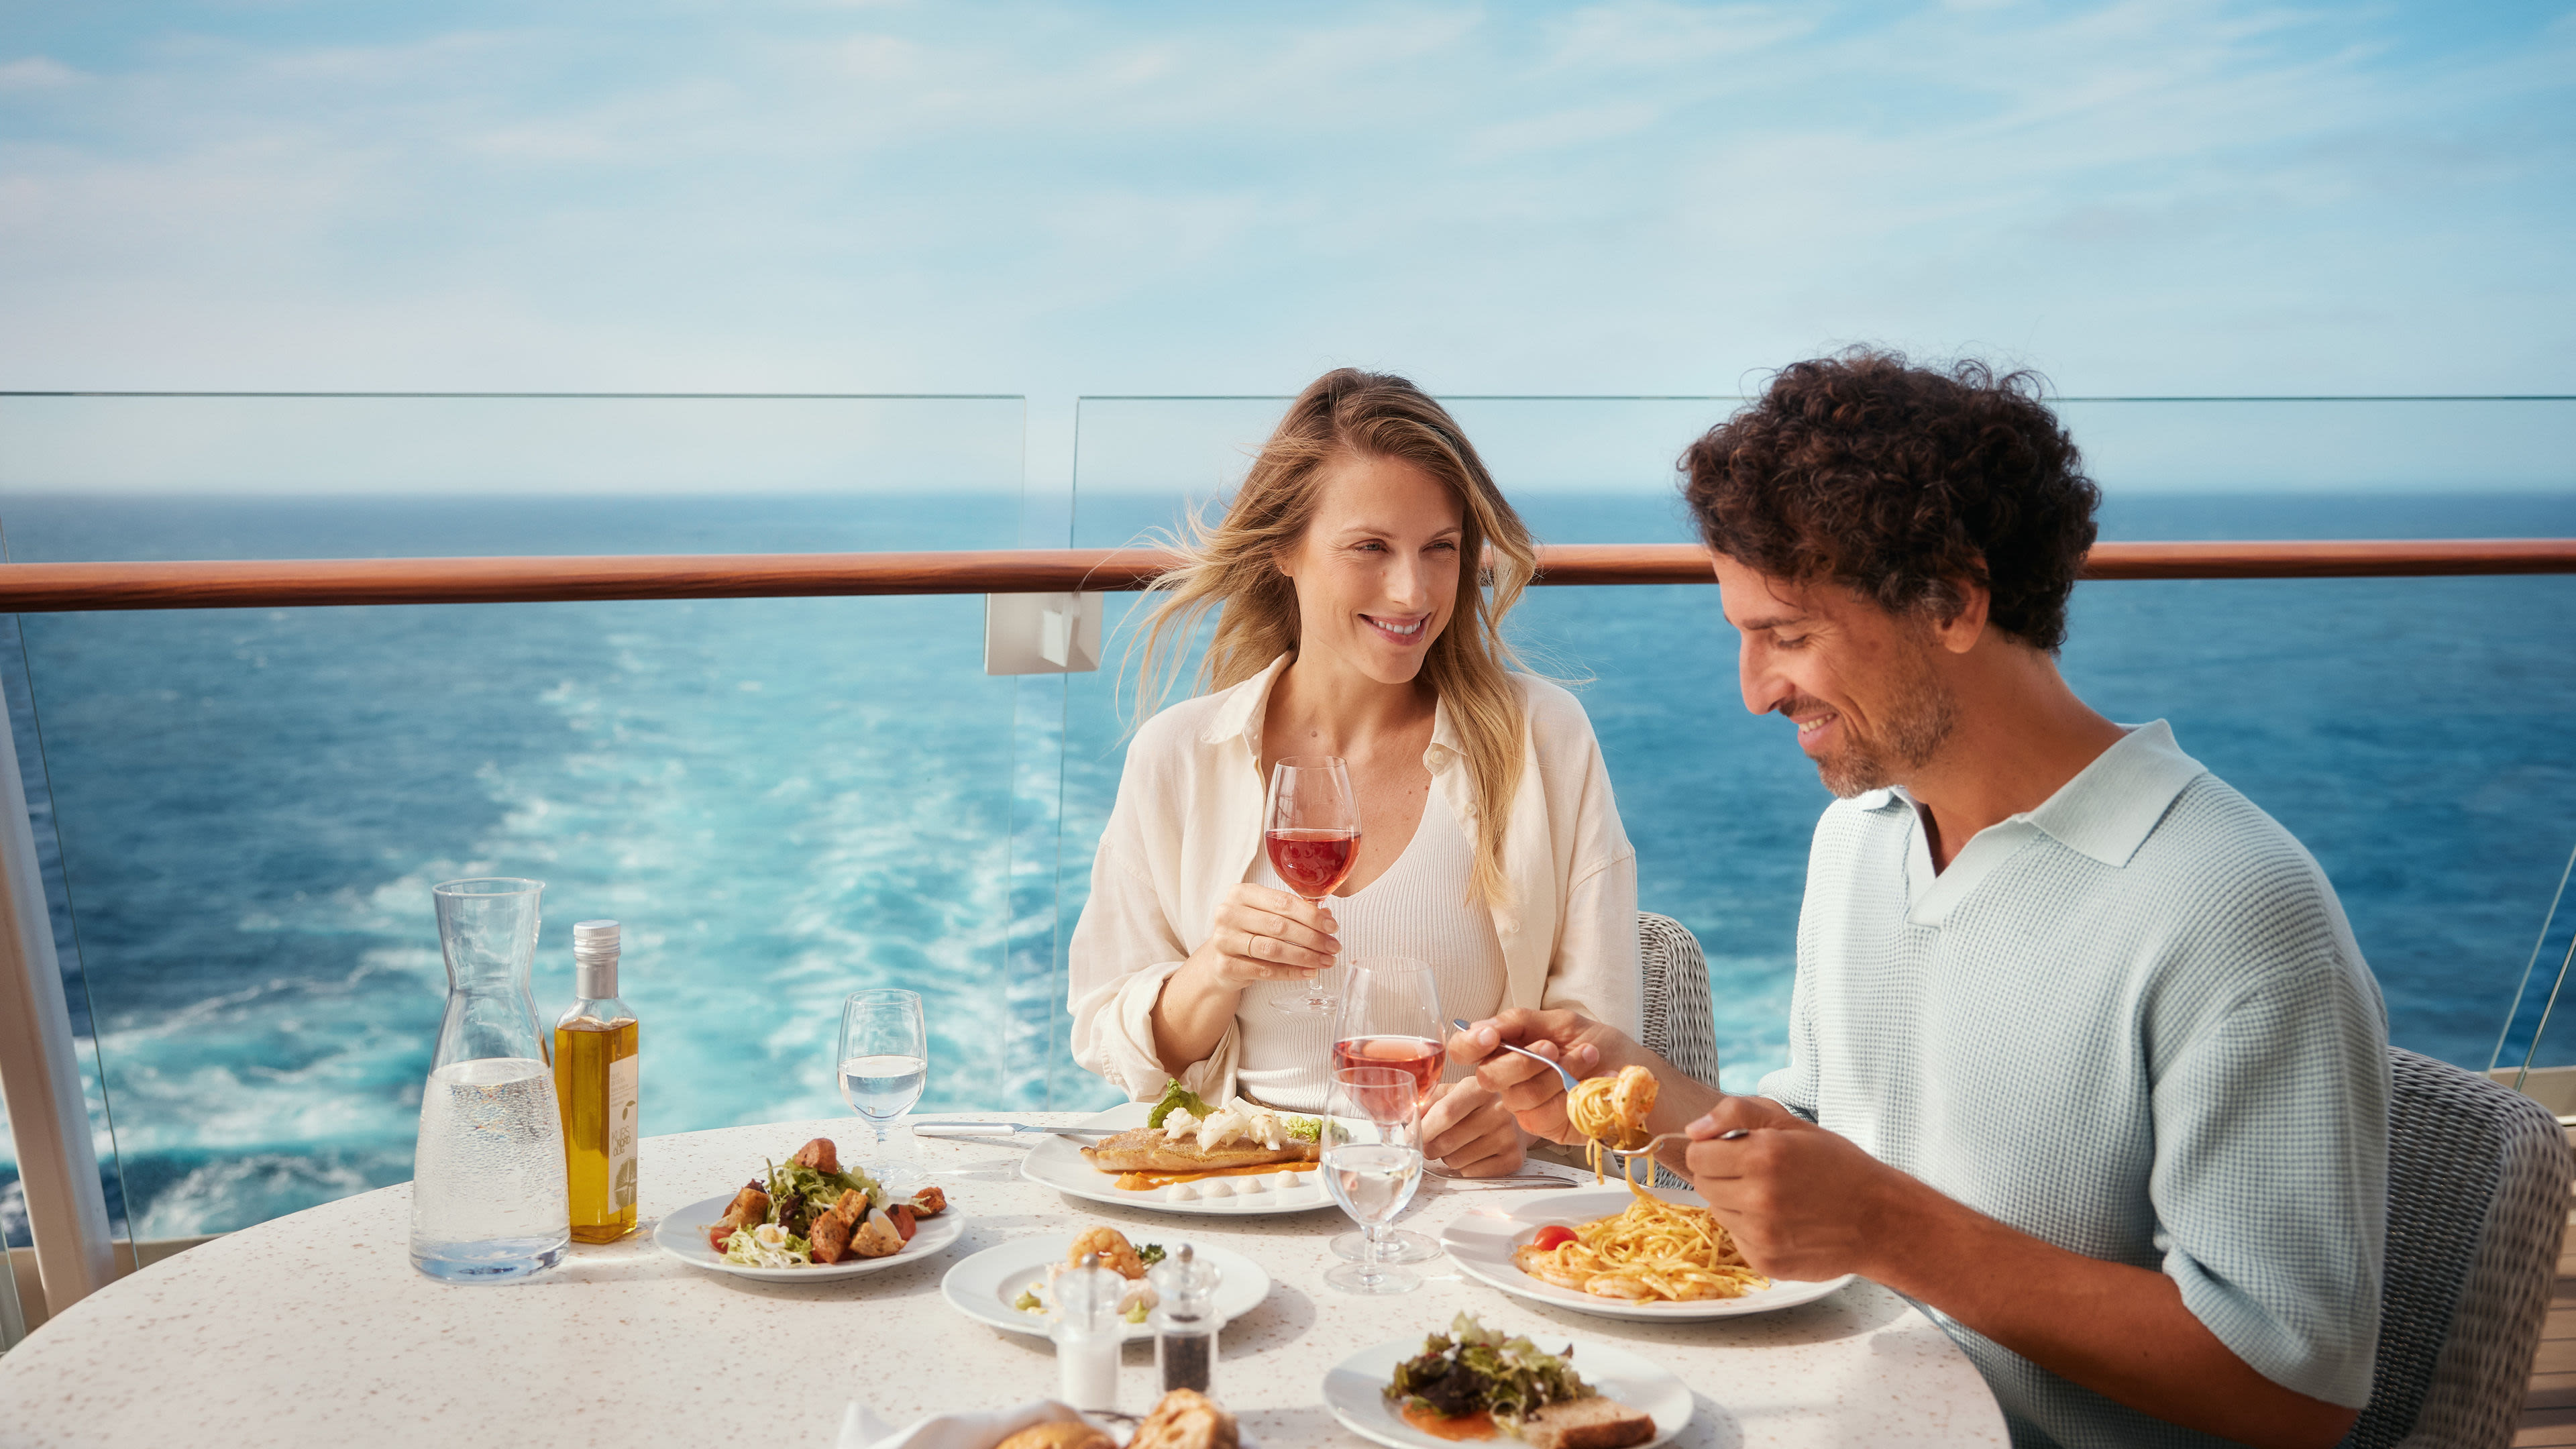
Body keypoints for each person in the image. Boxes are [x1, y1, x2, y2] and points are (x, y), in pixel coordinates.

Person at [1450, 350, 2389, 1448]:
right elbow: (1833, 1146)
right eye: (1744, 636)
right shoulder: (1860, 837)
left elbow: (2295, 1391)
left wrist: (1890, 1229)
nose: (1755, 692)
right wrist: (1647, 1102)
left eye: (1788, 637)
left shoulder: (2232, 906)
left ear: (1950, 602)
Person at [1068, 367, 1643, 1177]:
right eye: (1370, 547)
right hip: (1237, 1196)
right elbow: (1106, 1034)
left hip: (1462, 1209)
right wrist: (1215, 972)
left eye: (1440, 550)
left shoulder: (1544, 738)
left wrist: (1526, 1119)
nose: (1412, 592)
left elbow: (1602, 1036)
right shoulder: (1177, 754)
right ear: (1284, 549)